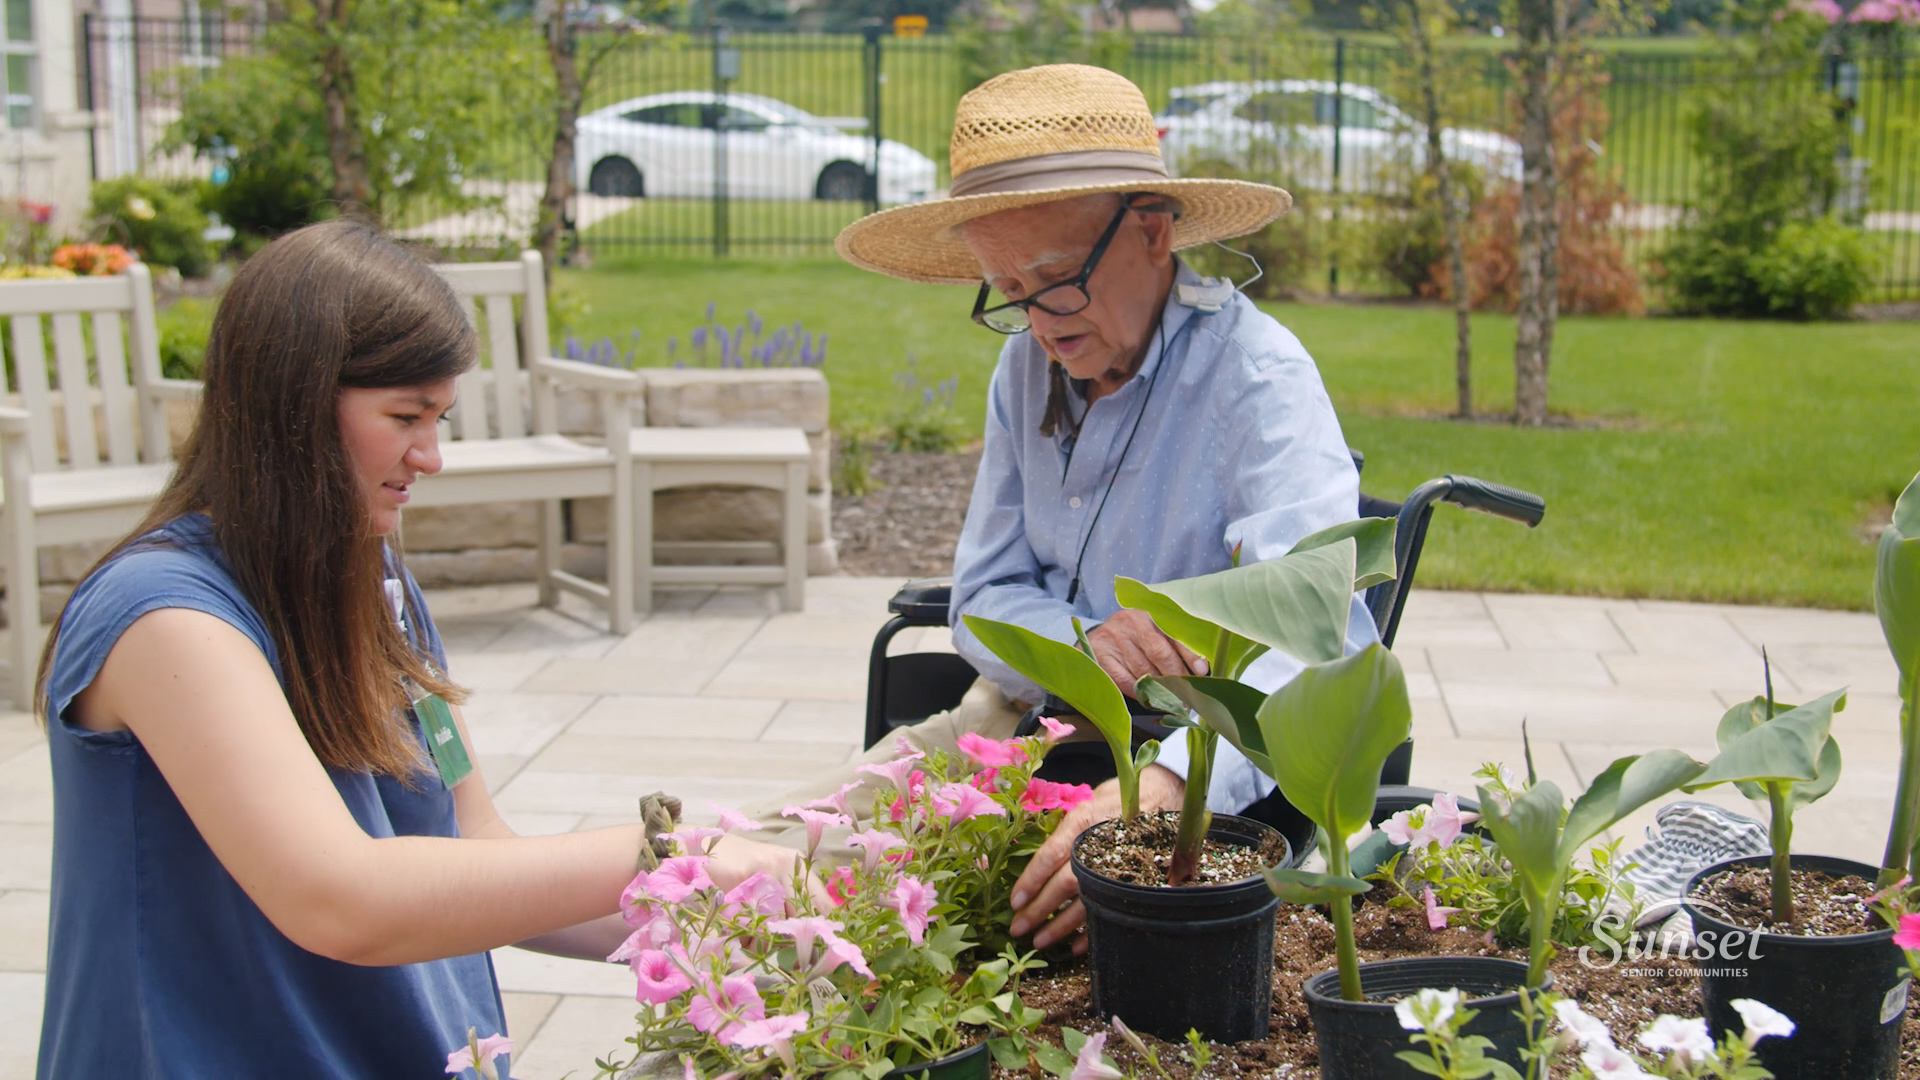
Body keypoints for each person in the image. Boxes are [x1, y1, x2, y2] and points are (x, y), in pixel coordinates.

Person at [33, 220, 802, 1079]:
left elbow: (478, 854)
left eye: (438, 417)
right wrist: (666, 850)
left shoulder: (370, 581)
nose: (430, 456)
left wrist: (719, 923)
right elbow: (344, 900)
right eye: (405, 416)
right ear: (290, 409)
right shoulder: (162, 618)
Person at [749, 64, 1375, 953]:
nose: (1039, 322)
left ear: (1152, 230)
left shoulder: (1259, 385)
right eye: (1007, 289)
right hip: (1007, 727)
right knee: (759, 869)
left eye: (1054, 281)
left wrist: (1156, 793)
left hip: (1193, 776)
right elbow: (983, 597)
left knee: (867, 941)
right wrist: (1081, 646)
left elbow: (1324, 643)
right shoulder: (1029, 365)